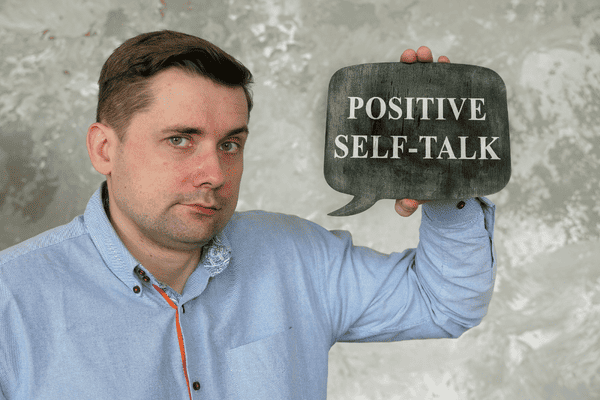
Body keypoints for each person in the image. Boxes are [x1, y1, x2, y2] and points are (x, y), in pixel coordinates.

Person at [0, 30, 496, 400]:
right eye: (180, 140)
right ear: (105, 149)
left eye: (230, 143)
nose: (214, 172)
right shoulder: (12, 302)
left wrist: (446, 179)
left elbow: (443, 302)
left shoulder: (296, 257)